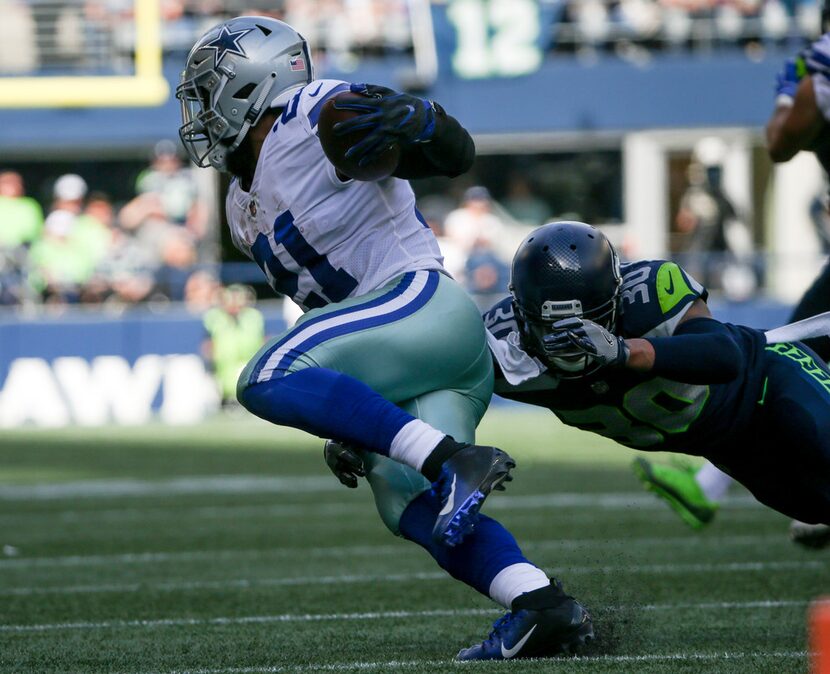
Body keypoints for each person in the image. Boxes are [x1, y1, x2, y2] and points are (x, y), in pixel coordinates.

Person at [177, 16, 592, 659]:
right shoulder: (239, 206)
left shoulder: (318, 113)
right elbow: (324, 310)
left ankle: (451, 457)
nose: (199, 110)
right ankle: (542, 604)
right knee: (405, 504)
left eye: (207, 92)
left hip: (421, 306)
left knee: (264, 377)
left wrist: (427, 122)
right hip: (409, 350)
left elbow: (450, 154)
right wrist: (352, 419)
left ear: (251, 84)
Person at [480, 221, 829, 526]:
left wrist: (625, 351)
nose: (569, 343)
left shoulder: (650, 289)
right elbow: (440, 390)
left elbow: (725, 356)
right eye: (549, 329)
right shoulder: (499, 346)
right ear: (520, 313)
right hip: (727, 445)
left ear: (617, 298)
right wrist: (458, 451)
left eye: (587, 323)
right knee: (816, 505)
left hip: (770, 377)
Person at [636, 12, 830, 547]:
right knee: (795, 348)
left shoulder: (819, 67)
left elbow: (781, 139)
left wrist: (795, 94)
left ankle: (716, 488)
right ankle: (715, 487)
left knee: (786, 352)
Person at [202, 284, 265, 406]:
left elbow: (264, 340)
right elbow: (208, 345)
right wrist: (210, 365)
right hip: (223, 369)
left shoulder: (254, 316)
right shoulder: (214, 317)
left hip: (249, 367)